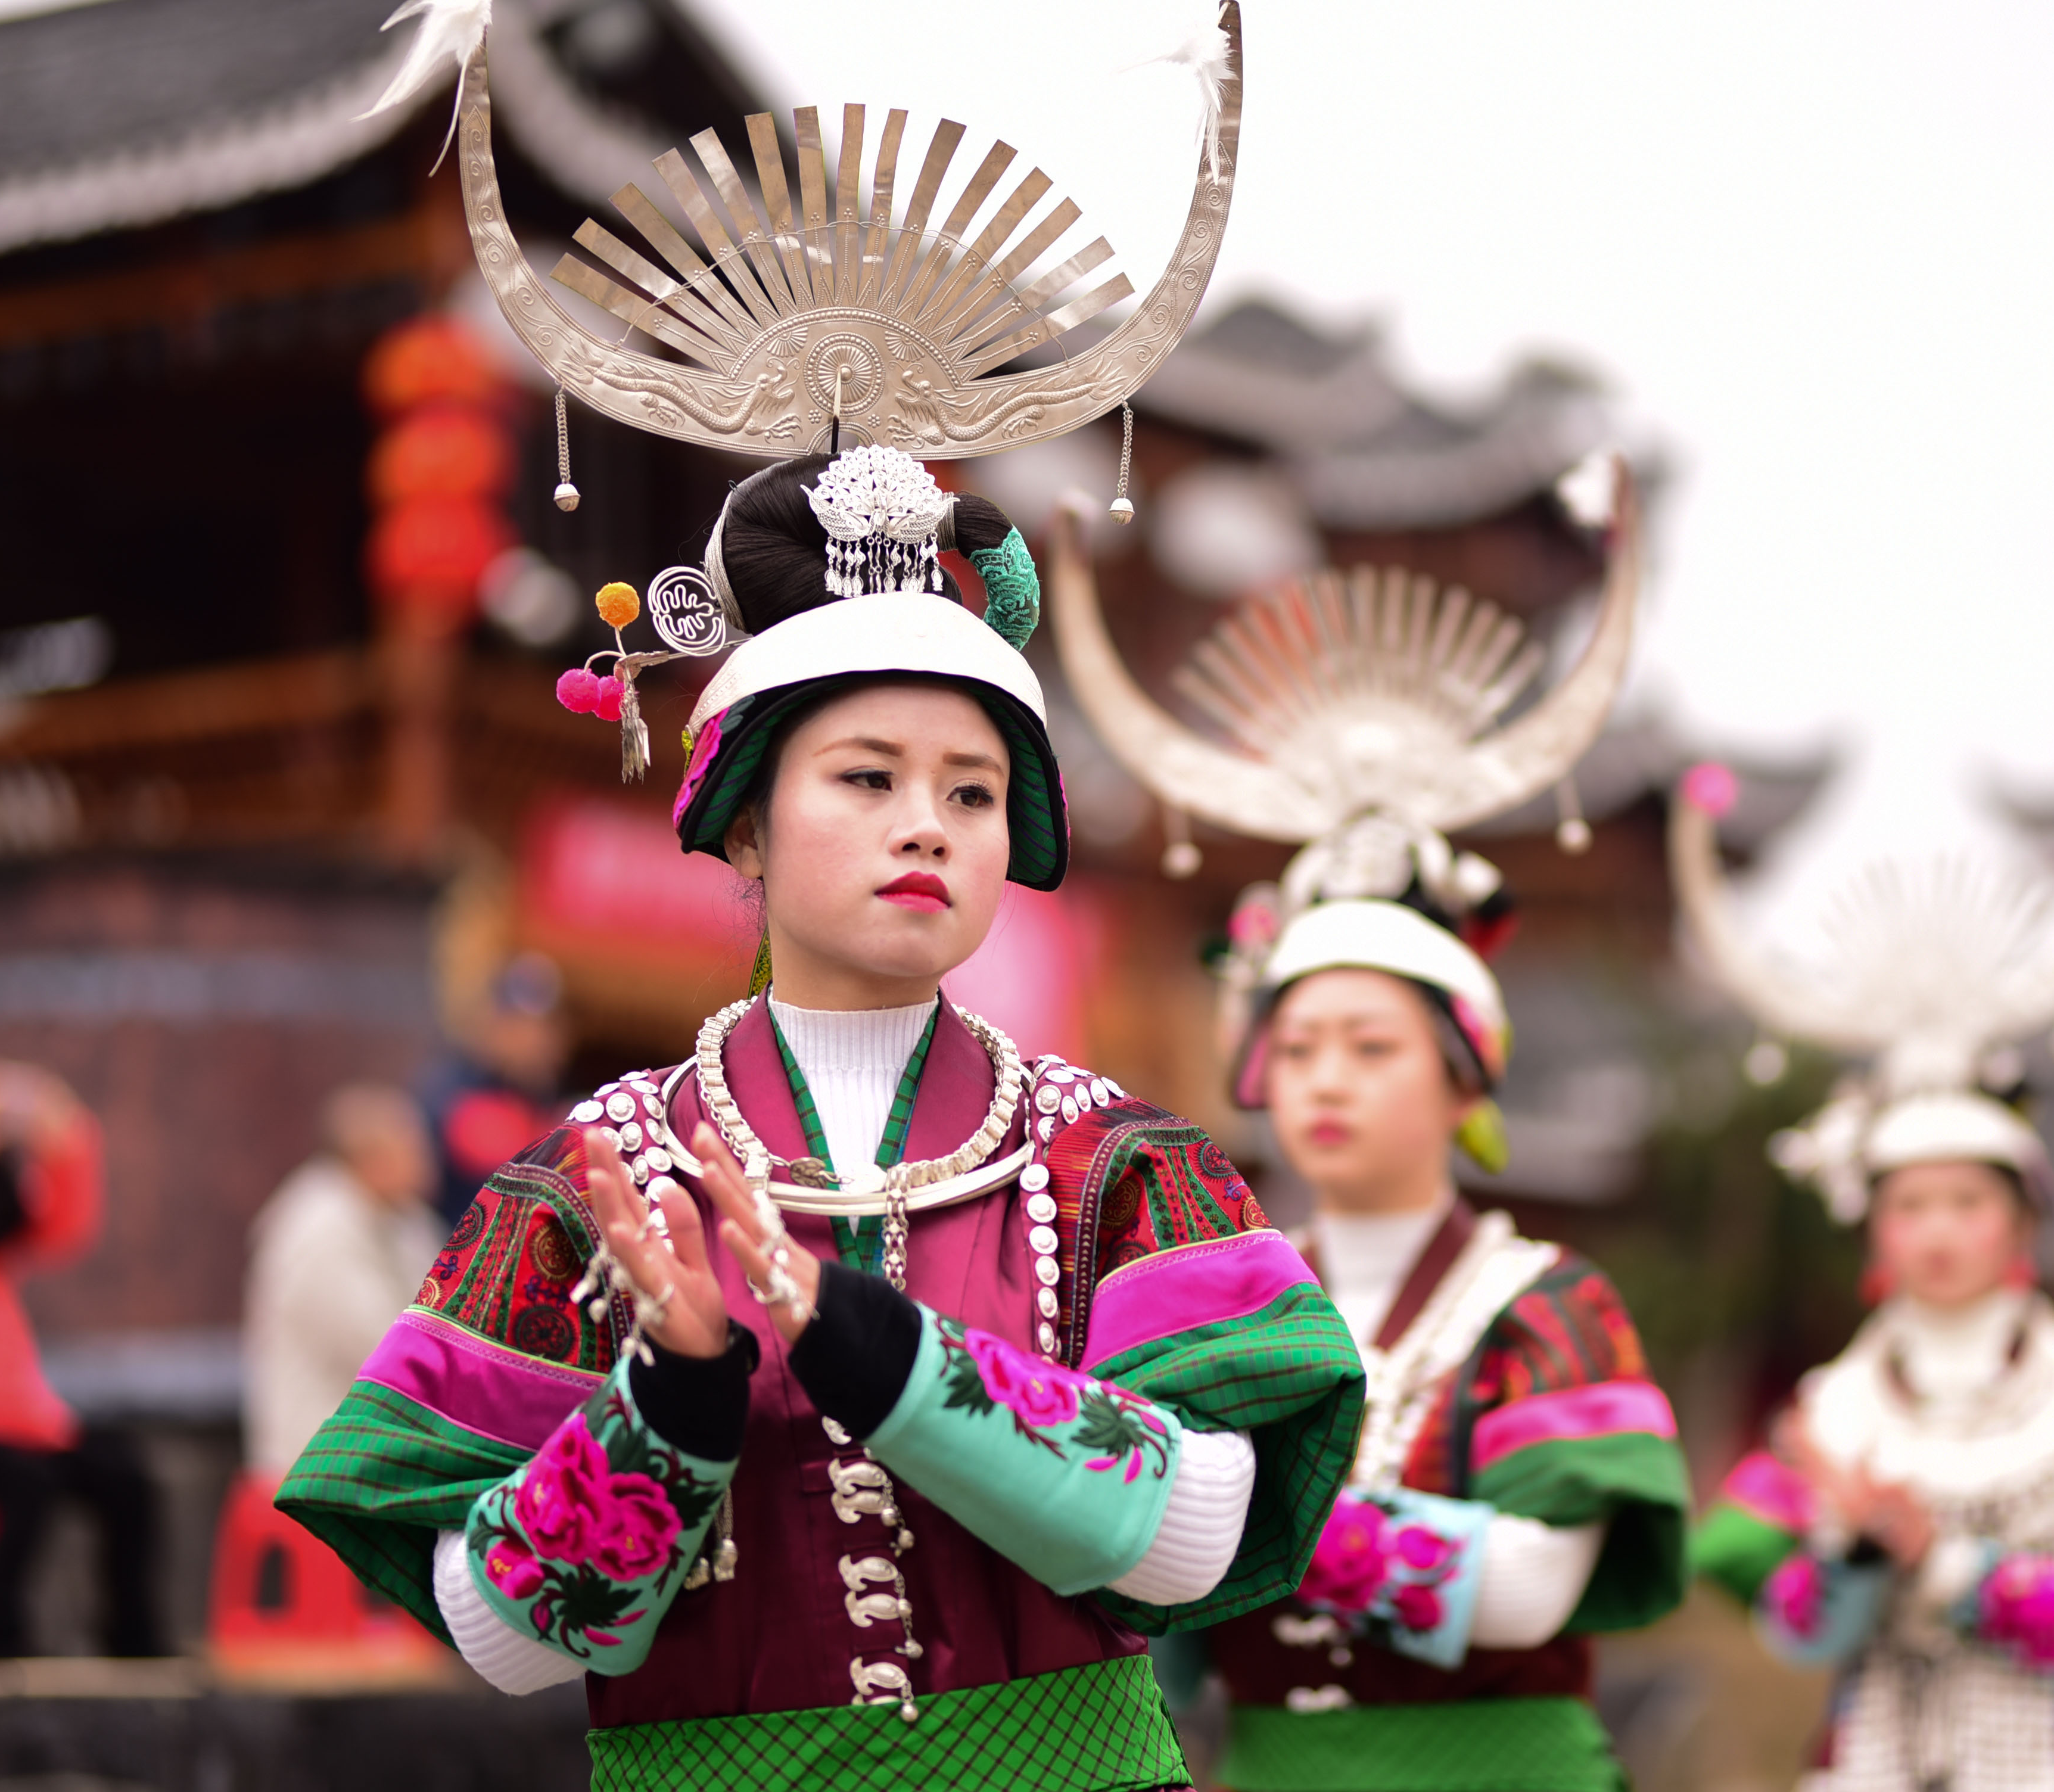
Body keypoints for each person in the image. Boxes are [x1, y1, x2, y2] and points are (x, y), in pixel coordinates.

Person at [281, 14, 1359, 1784]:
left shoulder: (1117, 1168)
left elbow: (1187, 1538)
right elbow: (494, 1636)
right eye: (864, 779)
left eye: (972, 790)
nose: (926, 826)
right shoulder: (589, 1186)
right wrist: (681, 1397)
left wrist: (868, 1344)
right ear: (740, 822)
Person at [1051, 453, 1689, 1791]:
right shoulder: (1210, 1296)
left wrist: (1236, 1514)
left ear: (1470, 1076)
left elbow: (1526, 1588)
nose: (1326, 1079)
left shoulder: (1549, 1305)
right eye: (1300, 1045)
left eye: (1374, 1045)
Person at [1675, 754, 2054, 1792]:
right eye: (1909, 1204)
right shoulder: (1826, 1411)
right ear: (1871, 1225)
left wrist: (1944, 1564)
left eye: (1967, 1202)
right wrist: (1852, 1553)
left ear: (2024, 1216)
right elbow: (1793, 1634)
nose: (1937, 1231)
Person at [0, 1051, 164, 1658]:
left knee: (124, 1474)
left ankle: (134, 1639)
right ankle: (2, 1639)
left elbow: (64, 1222)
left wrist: (63, 1133)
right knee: (28, 1485)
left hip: (19, 1416)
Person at [244, 1083, 444, 1473]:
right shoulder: (318, 1227)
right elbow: (385, 1349)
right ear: (371, 1157)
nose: (425, 1159)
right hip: (317, 1467)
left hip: (377, 1457)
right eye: (412, 1146)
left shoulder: (406, 1218)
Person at [420, 953, 571, 1230]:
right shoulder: (451, 1094)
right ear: (491, 1025)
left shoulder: (550, 1100)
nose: (533, 1041)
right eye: (518, 1026)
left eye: (543, 1028)